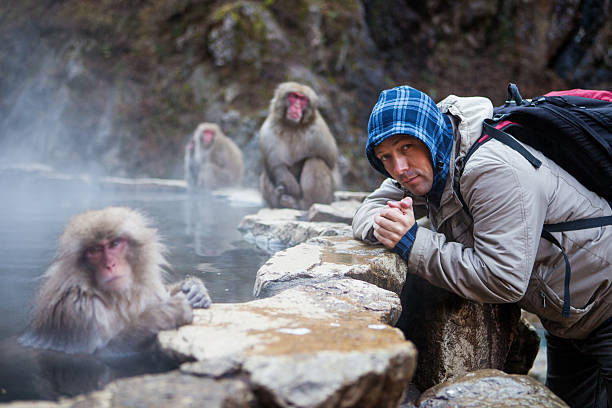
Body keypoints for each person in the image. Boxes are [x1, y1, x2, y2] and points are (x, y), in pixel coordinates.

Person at [352, 85, 612, 408]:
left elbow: (504, 278)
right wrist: (385, 225)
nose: (399, 168)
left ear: (429, 134)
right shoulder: (429, 163)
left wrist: (411, 242)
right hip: (567, 318)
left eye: (406, 147)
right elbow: (365, 211)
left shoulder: (491, 168)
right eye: (385, 158)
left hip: (606, 299)